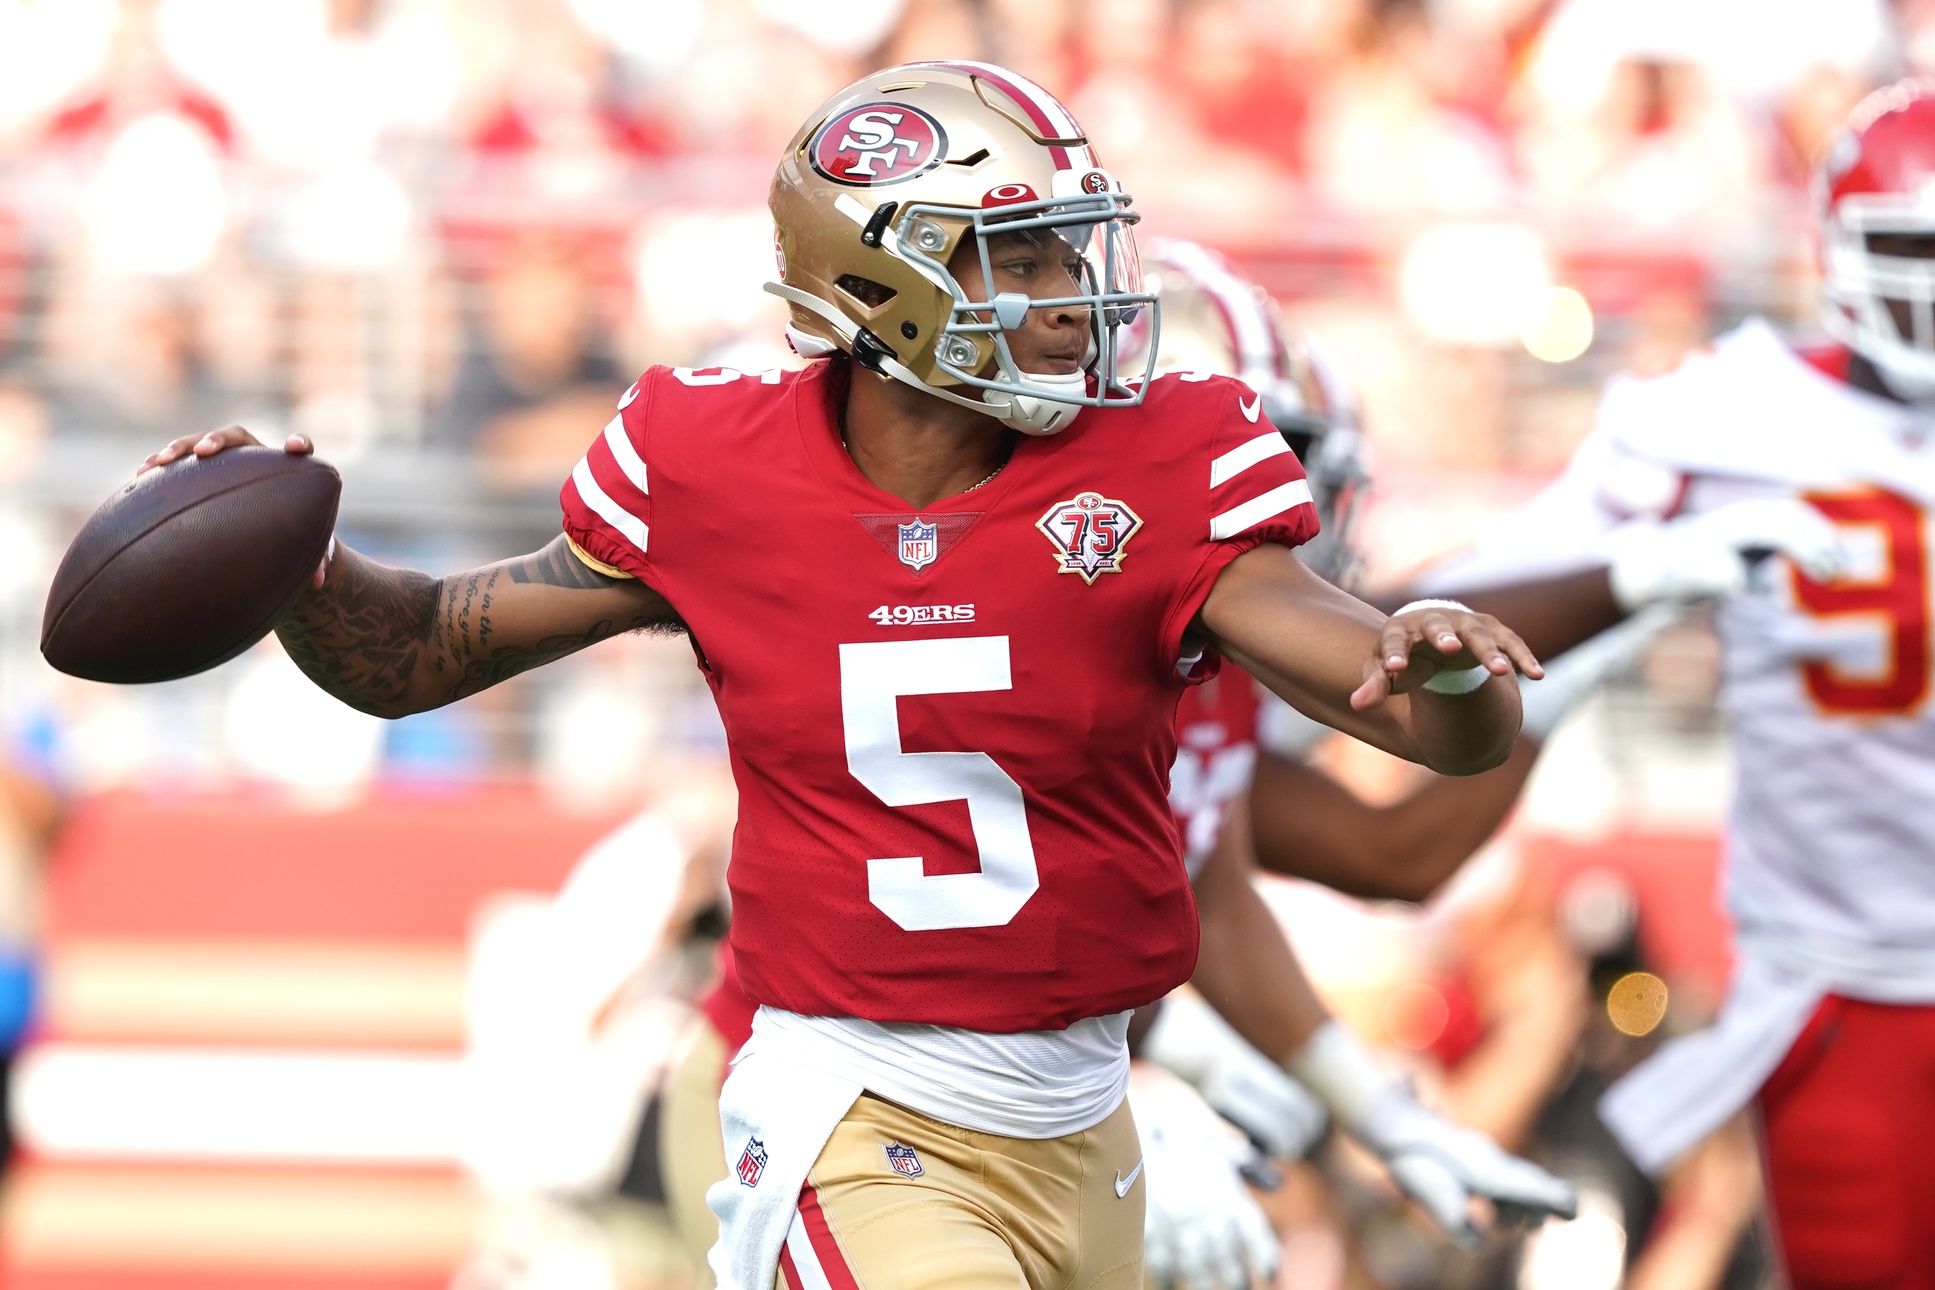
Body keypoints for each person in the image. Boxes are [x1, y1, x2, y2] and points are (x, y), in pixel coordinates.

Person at [144, 62, 1564, 1290]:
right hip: (843, 1091)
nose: (1066, 300)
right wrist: (291, 560)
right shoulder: (715, 467)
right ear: (876, 282)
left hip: (1080, 1110)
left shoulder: (1159, 456)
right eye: (1012, 259)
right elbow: (416, 650)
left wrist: (1434, 672)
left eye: (1069, 255)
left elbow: (1390, 704)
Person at [1409, 76, 1935, 1290]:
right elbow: (1475, 598)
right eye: (1914, 245)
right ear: (1841, 251)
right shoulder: (1731, 414)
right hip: (1842, 982)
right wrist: (1639, 576)